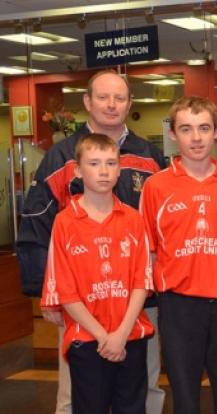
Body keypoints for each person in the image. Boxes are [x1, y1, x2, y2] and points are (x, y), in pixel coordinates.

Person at [16, 69, 166, 414]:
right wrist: (46, 294)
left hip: (140, 300)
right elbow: (38, 225)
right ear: (87, 102)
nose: (111, 105)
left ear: (129, 103)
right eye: (103, 97)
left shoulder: (148, 155)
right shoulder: (63, 156)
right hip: (81, 305)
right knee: (77, 395)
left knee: (146, 386)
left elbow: (162, 225)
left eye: (119, 98)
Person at [139, 96, 217, 413]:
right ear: (172, 134)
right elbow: (148, 252)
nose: (196, 138)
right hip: (178, 306)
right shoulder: (156, 186)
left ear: (216, 132)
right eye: (186, 129)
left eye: (203, 128)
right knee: (184, 394)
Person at [40, 133, 154, 413]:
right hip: (87, 339)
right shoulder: (64, 222)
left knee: (133, 407)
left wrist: (121, 333)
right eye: (94, 163)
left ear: (119, 170)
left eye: (111, 163)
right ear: (78, 170)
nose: (103, 171)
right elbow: (65, 291)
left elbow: (142, 281)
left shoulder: (133, 219)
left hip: (131, 336)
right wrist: (104, 337)